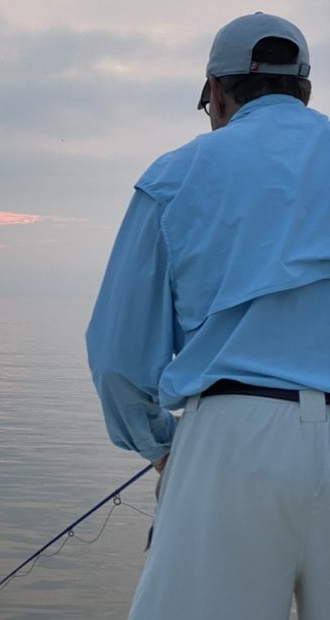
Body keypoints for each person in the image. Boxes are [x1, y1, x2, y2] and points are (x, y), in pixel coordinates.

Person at [85, 12, 330, 620]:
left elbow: (118, 361)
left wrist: (164, 446)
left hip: (230, 440)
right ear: (305, 90)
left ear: (215, 93)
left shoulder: (174, 175)